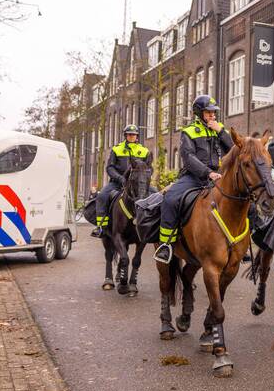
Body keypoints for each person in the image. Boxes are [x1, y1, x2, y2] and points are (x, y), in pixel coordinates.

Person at [154, 95, 233, 264]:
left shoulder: (219, 130)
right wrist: (207, 173)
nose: (212, 115)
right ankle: (166, 245)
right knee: (170, 198)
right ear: (199, 113)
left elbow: (234, 150)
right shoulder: (188, 131)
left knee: (242, 197)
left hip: (218, 177)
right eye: (208, 112)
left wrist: (221, 132)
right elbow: (188, 157)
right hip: (194, 177)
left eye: (214, 112)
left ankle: (242, 243)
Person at [92, 124, 151, 237]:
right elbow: (110, 167)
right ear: (125, 136)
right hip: (117, 183)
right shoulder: (116, 149)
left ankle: (150, 224)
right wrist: (120, 178)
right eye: (129, 135)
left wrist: (144, 179)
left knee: (155, 195)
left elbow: (149, 168)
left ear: (137, 136)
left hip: (138, 185)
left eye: (134, 135)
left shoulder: (144, 151)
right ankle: (101, 227)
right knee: (102, 196)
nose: (132, 137)